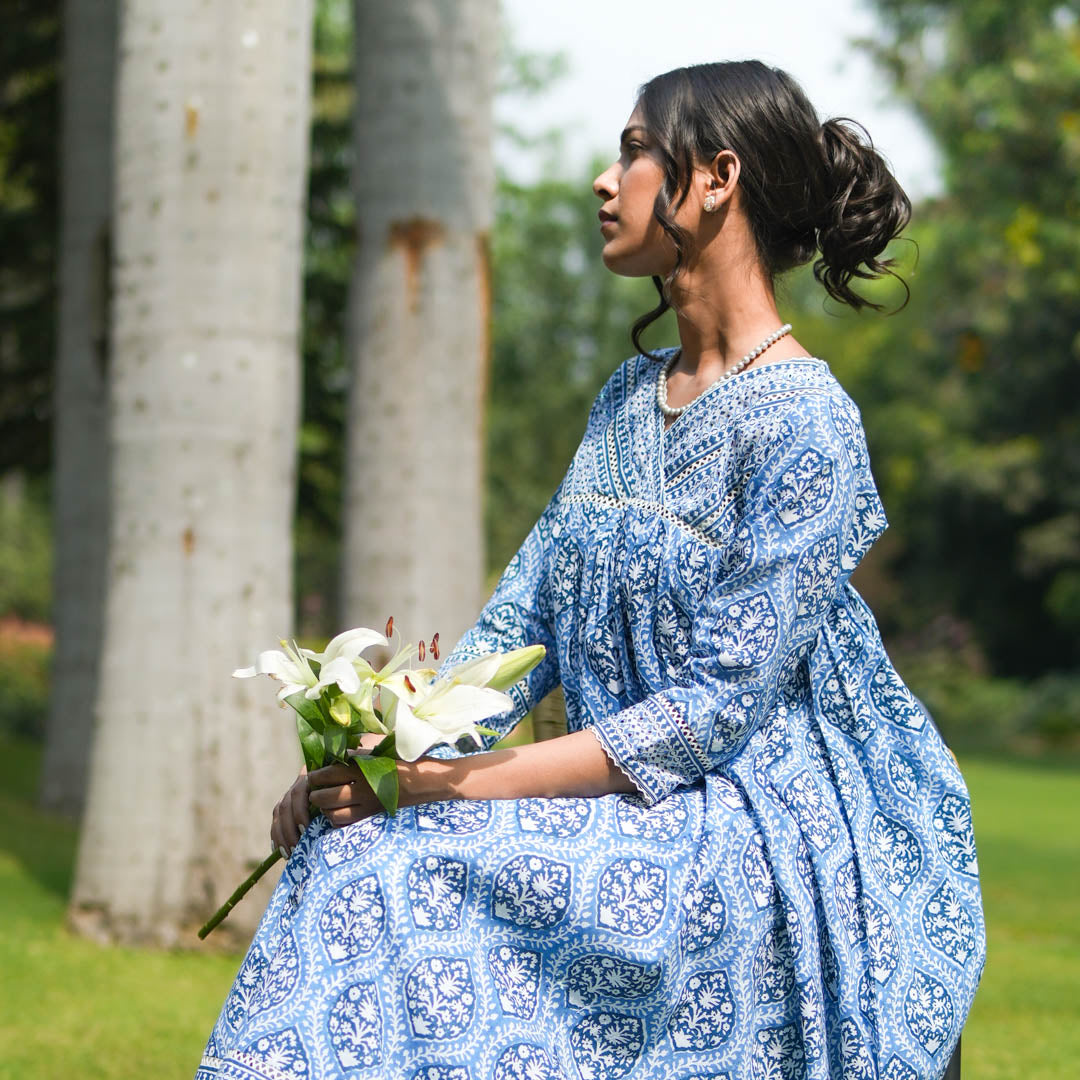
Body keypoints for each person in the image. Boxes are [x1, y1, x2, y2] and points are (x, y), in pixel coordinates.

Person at [198, 60, 985, 1080]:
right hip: (613, 799)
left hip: (752, 824)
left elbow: (707, 716)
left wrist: (448, 787)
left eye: (634, 152)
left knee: (405, 867)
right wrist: (385, 757)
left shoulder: (810, 426)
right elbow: (522, 620)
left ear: (716, 179)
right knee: (350, 847)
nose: (605, 181)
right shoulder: (626, 398)